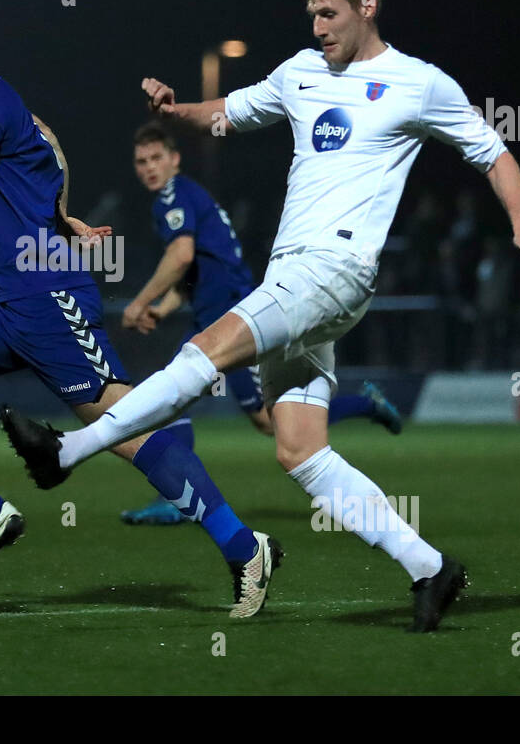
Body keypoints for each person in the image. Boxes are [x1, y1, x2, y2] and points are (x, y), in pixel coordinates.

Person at [2, 0, 520, 632]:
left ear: (368, 4)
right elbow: (231, 112)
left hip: (333, 270)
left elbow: (493, 150)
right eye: (311, 12)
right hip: (293, 278)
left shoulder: (416, 82)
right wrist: (178, 107)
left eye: (329, 11)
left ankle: (64, 452)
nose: (317, 26)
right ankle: (430, 567)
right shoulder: (301, 72)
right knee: (299, 449)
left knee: (204, 352)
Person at [0, 0, 282, 618]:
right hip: (10, 303)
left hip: (49, 299)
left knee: (128, 429)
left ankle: (244, 548)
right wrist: (62, 215)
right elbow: (49, 143)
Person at [120, 122, 402, 526]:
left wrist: (139, 302)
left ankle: (367, 405)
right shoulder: (177, 198)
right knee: (174, 399)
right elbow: (194, 272)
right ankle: (178, 499)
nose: (149, 166)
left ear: (174, 159)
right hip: (211, 317)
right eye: (141, 161)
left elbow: (181, 256)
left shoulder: (175, 195)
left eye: (156, 157)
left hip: (234, 318)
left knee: (271, 422)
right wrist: (162, 310)